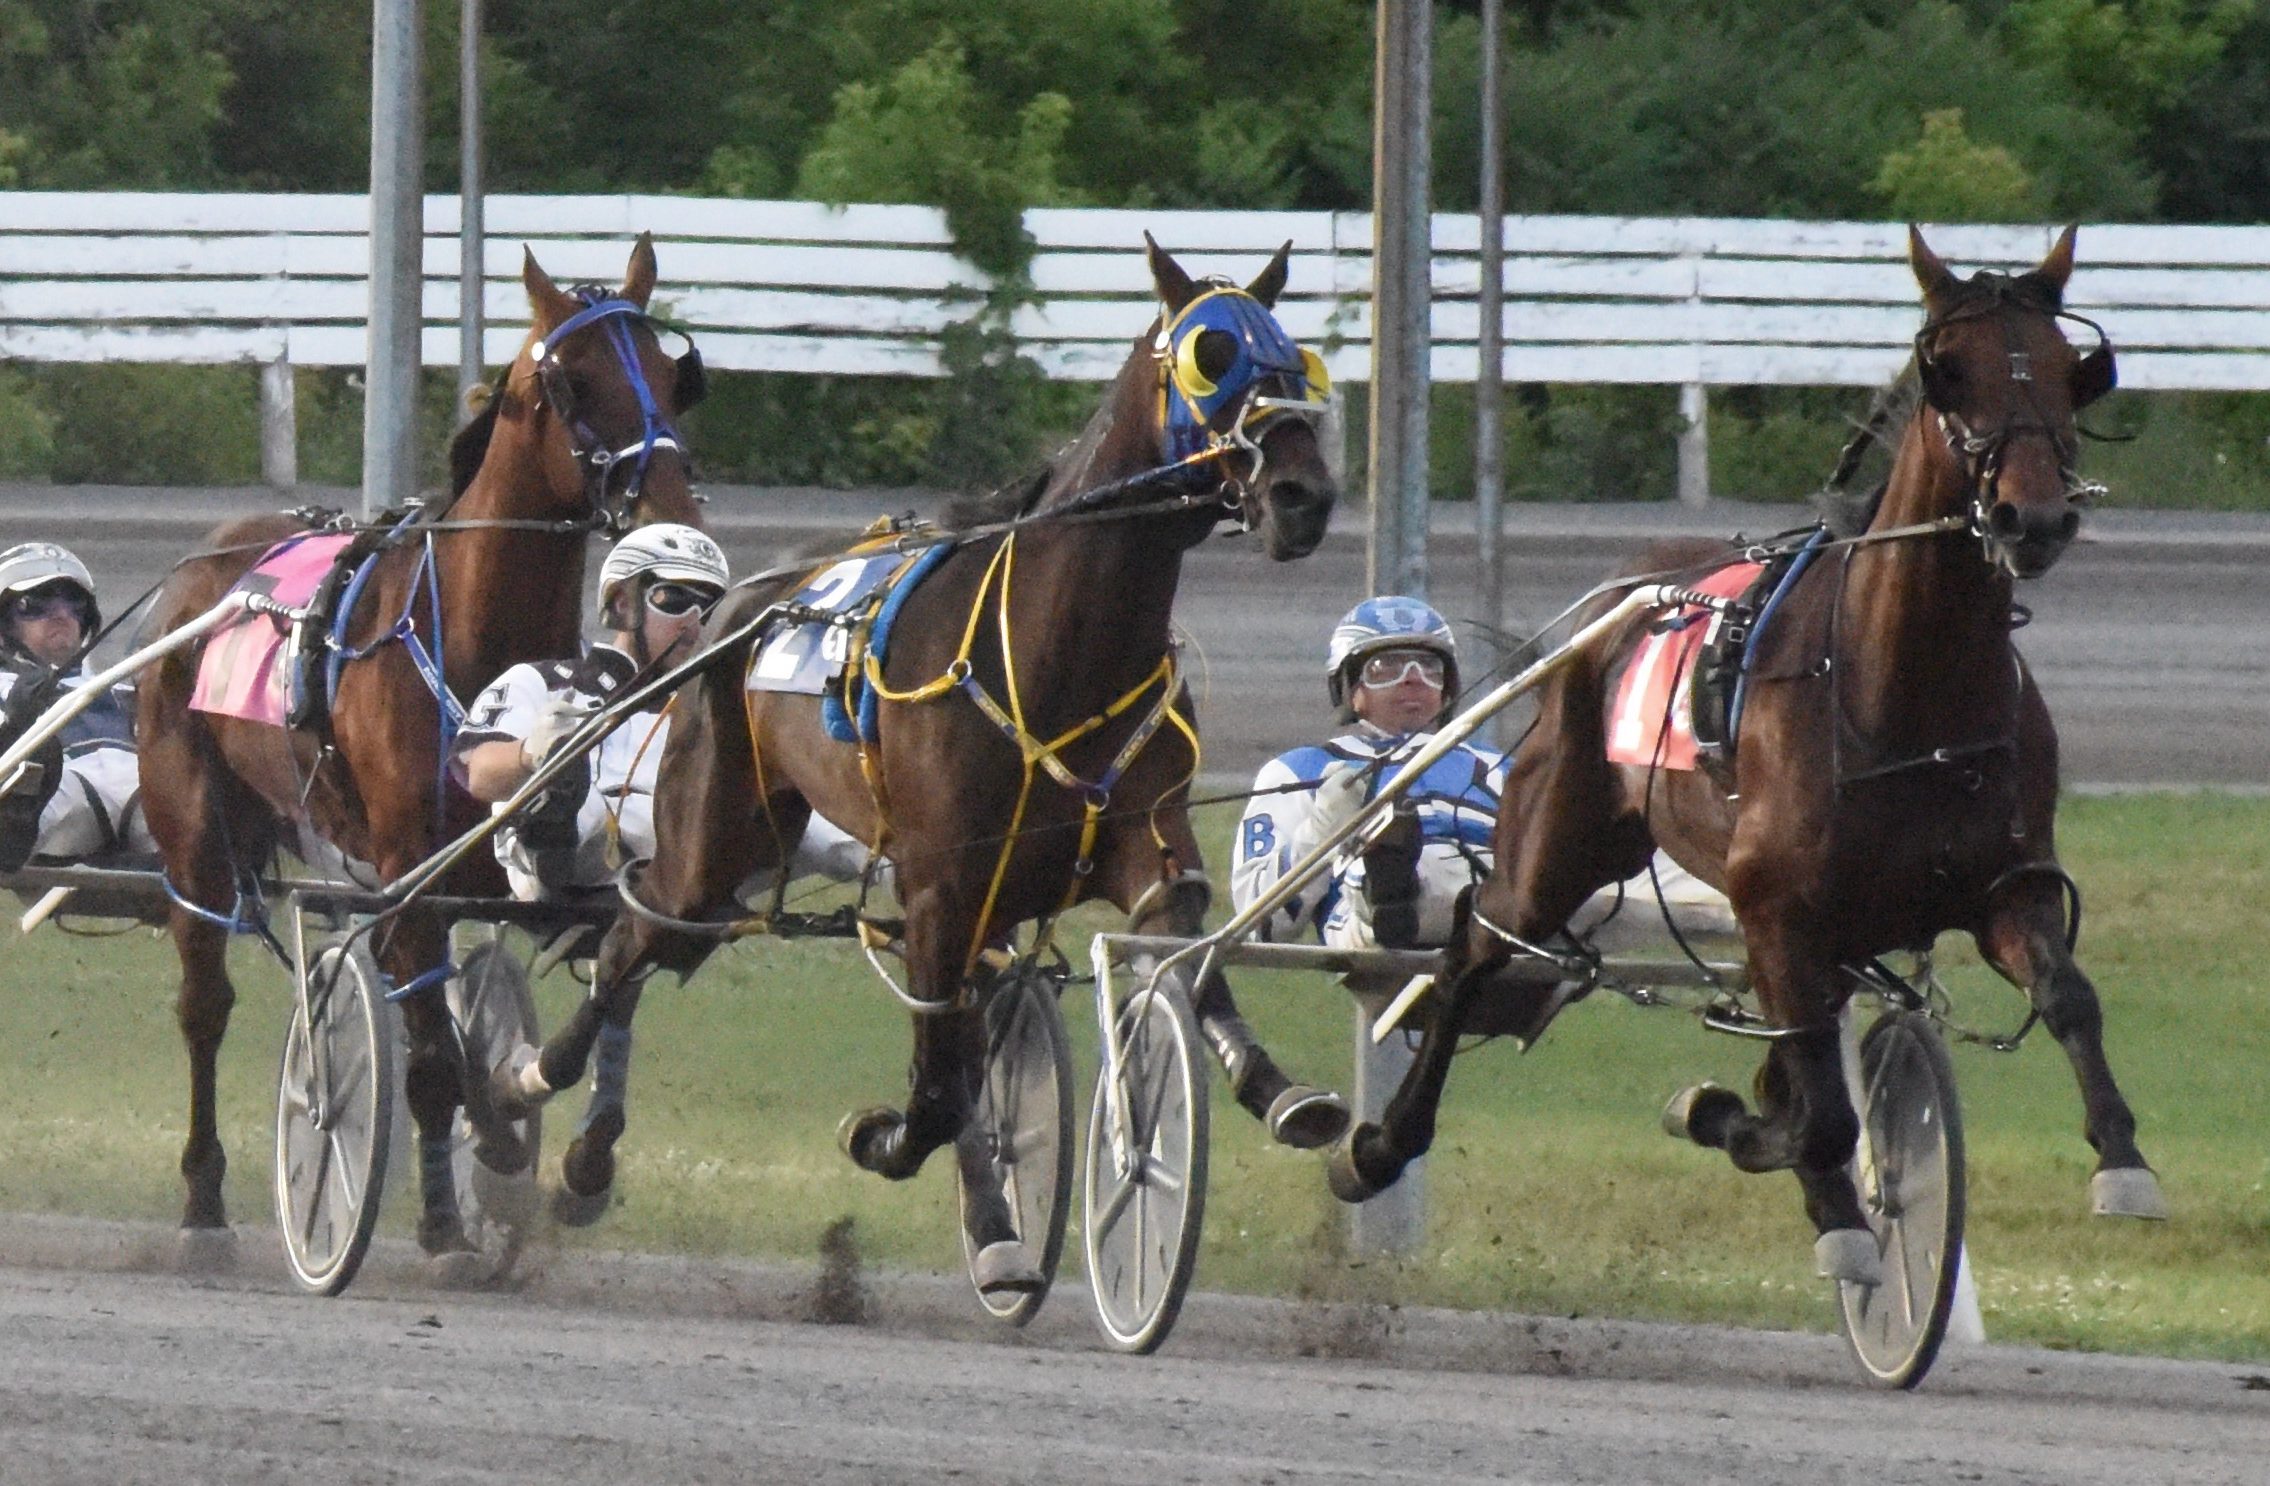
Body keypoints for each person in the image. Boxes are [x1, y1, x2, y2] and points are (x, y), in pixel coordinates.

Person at [453, 525, 871, 900]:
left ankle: (913, 872)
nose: (693, 623)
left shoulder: (727, 708)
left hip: (695, 852)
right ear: (621, 604)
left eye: (708, 608)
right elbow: (480, 773)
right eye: (673, 599)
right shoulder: (543, 681)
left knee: (827, 813)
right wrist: (532, 754)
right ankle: (559, 805)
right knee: (568, 783)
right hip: (571, 856)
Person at [1232, 596, 1501, 951]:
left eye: (1429, 666)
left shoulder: (1496, 764)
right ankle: (1393, 887)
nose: (1413, 680)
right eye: (1385, 667)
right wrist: (1321, 831)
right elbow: (1258, 923)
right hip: (1372, 912)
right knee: (1398, 877)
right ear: (1350, 690)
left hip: (1502, 889)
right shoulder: (1299, 770)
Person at [0, 541, 155, 865]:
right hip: (52, 797)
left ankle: (220, 880)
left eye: (75, 604)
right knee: (34, 771)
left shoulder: (121, 687)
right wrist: (17, 718)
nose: (61, 614)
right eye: (36, 604)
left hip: (138, 789)